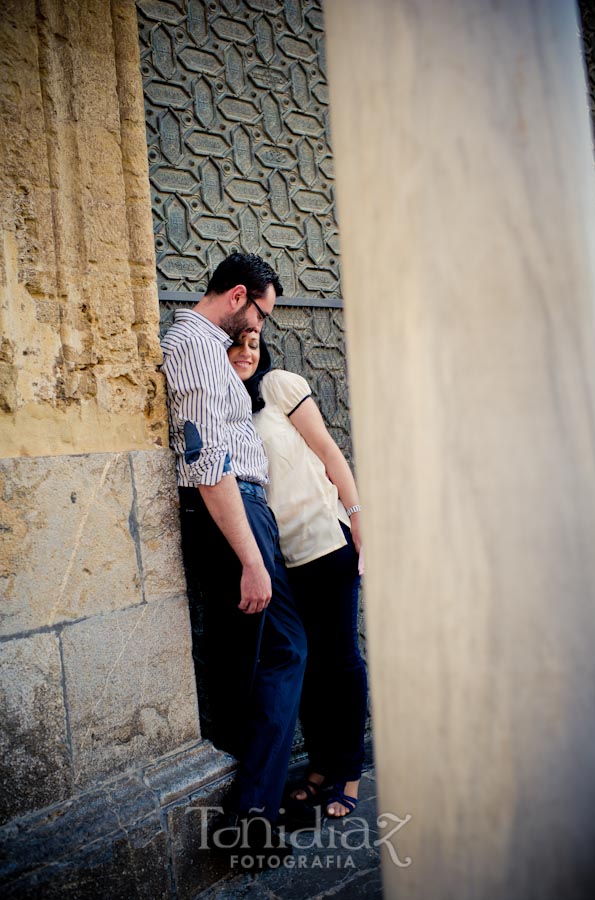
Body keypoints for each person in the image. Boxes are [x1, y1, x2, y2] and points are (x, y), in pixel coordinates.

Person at [160, 254, 307, 858]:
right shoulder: (194, 343)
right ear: (238, 294)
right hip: (235, 513)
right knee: (285, 648)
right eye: (261, 313)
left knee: (255, 656)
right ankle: (249, 819)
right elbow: (204, 458)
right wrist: (250, 557)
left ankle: (254, 808)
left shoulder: (200, 344)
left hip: (244, 512)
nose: (261, 328)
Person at [227, 330, 368, 819]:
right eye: (235, 344)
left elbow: (330, 452)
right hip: (282, 563)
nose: (246, 352)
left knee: (341, 661)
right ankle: (319, 766)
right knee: (304, 665)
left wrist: (357, 519)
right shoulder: (227, 410)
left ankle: (348, 771)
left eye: (253, 343)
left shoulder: (281, 386)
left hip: (326, 544)